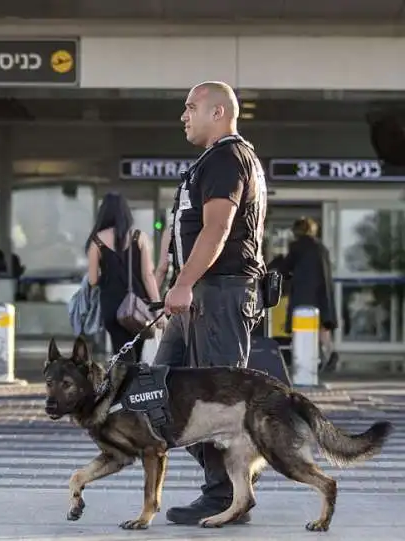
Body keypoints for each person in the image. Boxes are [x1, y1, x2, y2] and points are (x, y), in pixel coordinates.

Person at [156, 81, 268, 525]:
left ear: (218, 112)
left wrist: (182, 284)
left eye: (191, 107)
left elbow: (217, 229)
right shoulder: (215, 159)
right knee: (161, 390)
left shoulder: (227, 157)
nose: (184, 116)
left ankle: (226, 496)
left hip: (218, 293)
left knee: (215, 400)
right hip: (201, 294)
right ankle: (224, 487)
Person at [85, 192, 163, 362]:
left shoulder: (96, 241)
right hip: (138, 307)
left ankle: (123, 386)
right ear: (126, 212)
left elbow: (92, 280)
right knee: (137, 355)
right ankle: (134, 387)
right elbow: (148, 275)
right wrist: (157, 308)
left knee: (122, 355)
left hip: (112, 307)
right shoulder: (139, 237)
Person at [278, 217, 338, 369]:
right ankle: (330, 352)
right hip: (323, 293)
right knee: (322, 327)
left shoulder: (297, 246)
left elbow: (285, 268)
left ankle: (305, 360)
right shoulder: (321, 247)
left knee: (301, 325)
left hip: (304, 293)